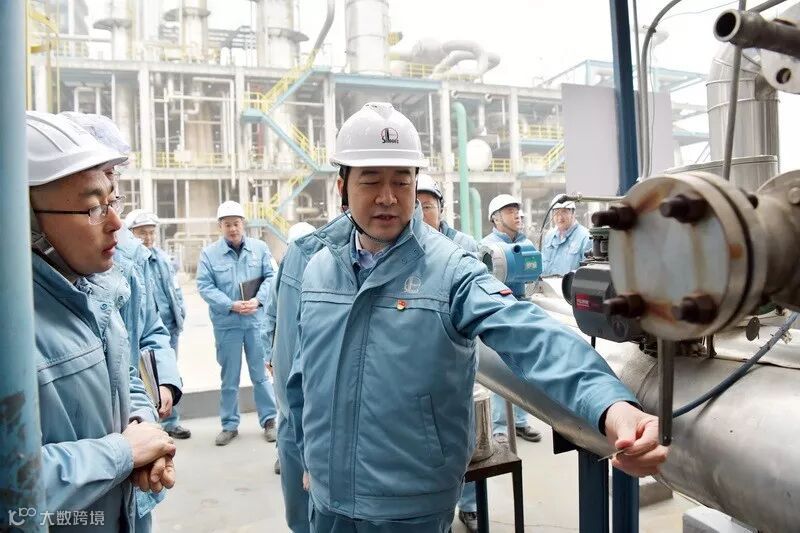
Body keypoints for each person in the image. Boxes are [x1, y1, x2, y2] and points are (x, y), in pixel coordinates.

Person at [283, 102, 667, 533]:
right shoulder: (318, 268)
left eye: (402, 181)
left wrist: (612, 406)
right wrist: (308, 460)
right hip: (327, 503)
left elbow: (529, 333)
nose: (388, 196)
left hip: (409, 508)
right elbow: (304, 380)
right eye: (371, 180)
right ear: (342, 186)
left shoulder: (450, 270)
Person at [27, 111, 176, 531]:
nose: (116, 223)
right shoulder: (17, 330)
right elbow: (13, 490)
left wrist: (143, 429)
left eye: (113, 199)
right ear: (26, 220)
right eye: (94, 207)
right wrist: (122, 454)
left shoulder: (91, 290)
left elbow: (124, 373)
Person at [416, 173, 479, 531]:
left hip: (457, 353)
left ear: (441, 209)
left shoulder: (463, 246)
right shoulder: (405, 247)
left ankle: (468, 505)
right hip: (421, 356)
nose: (421, 213)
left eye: (427, 206)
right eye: (416, 206)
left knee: (459, 432)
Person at [196, 201, 278, 446]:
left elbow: (271, 277)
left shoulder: (260, 249)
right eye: (227, 224)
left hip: (255, 322)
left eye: (236, 223)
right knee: (229, 377)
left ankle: (269, 421)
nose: (233, 228)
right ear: (220, 226)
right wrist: (230, 304)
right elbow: (204, 286)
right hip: (227, 324)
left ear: (244, 224)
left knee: (261, 375)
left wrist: (258, 300)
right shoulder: (209, 254)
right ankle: (229, 425)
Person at [264, 221, 318, 532]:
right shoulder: (291, 264)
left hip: (317, 404)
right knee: (297, 501)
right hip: (289, 400)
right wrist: (270, 354)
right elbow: (273, 314)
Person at [481, 194, 541, 443]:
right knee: (501, 369)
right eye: (509, 211)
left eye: (518, 210)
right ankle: (499, 426)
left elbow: (534, 274)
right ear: (496, 218)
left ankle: (520, 422)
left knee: (522, 367)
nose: (517, 215)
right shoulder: (485, 247)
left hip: (523, 309)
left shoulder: (527, 244)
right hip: (498, 313)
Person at [126, 209, 191, 439]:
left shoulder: (163, 259)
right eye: (142, 233)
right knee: (144, 379)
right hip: (145, 334)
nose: (148, 238)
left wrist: (180, 313)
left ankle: (171, 421)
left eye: (151, 232)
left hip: (168, 328)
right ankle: (151, 424)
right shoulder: (131, 262)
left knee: (168, 376)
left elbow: (175, 289)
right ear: (131, 233)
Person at [541, 196, 592, 276]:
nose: (560, 217)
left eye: (564, 212)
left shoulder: (586, 237)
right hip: (548, 283)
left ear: (573, 213)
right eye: (556, 212)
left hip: (571, 284)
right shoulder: (549, 236)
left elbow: (588, 273)